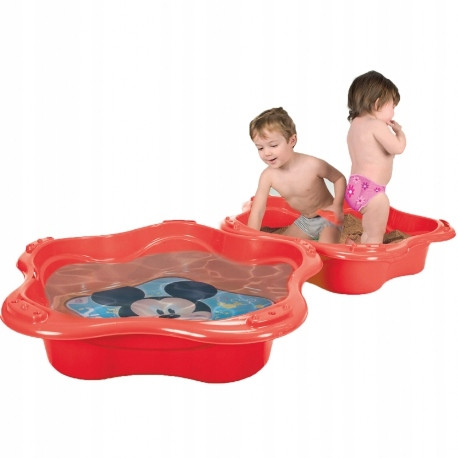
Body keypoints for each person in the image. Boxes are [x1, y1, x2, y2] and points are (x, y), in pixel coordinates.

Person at [247, 107, 346, 243]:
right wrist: (250, 238)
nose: (267, 153)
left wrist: (337, 206)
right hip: (306, 220)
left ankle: (345, 241)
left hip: (329, 217)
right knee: (282, 245)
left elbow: (339, 178)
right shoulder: (267, 176)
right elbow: (257, 211)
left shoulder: (312, 165)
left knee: (325, 249)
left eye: (273, 145)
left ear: (292, 140)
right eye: (260, 148)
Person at [346, 70, 406, 244]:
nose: (393, 112)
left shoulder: (355, 125)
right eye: (392, 106)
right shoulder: (376, 125)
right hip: (372, 192)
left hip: (355, 187)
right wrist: (399, 133)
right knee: (375, 234)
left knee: (369, 229)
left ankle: (357, 245)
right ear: (378, 103)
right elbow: (398, 147)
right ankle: (370, 250)